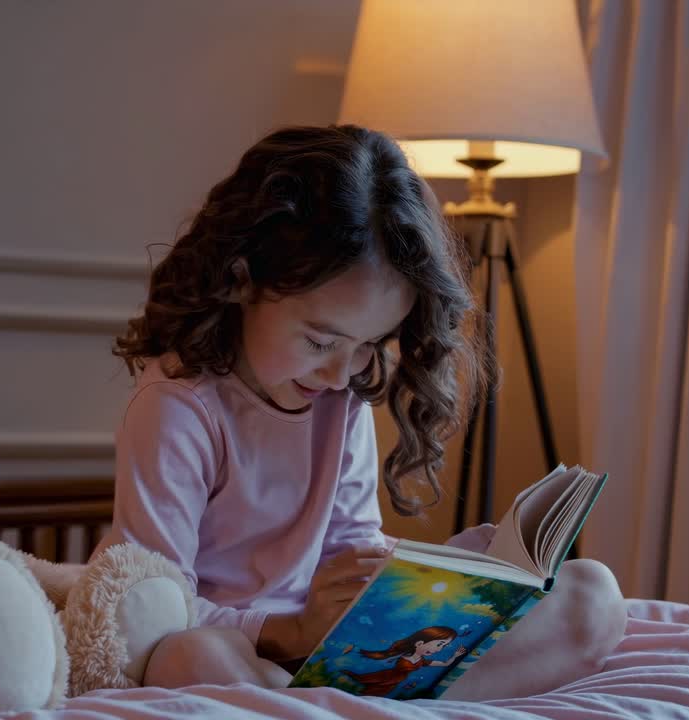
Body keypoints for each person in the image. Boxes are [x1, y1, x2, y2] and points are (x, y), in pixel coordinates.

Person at [92, 124, 626, 700]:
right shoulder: (178, 406)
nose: (341, 372)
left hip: (339, 654)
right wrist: (293, 629)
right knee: (186, 658)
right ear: (242, 279)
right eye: (321, 342)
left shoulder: (339, 394)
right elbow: (151, 604)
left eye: (371, 345)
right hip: (245, 650)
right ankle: (338, 703)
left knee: (594, 596)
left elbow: (351, 544)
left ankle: (338, 703)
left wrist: (441, 579)